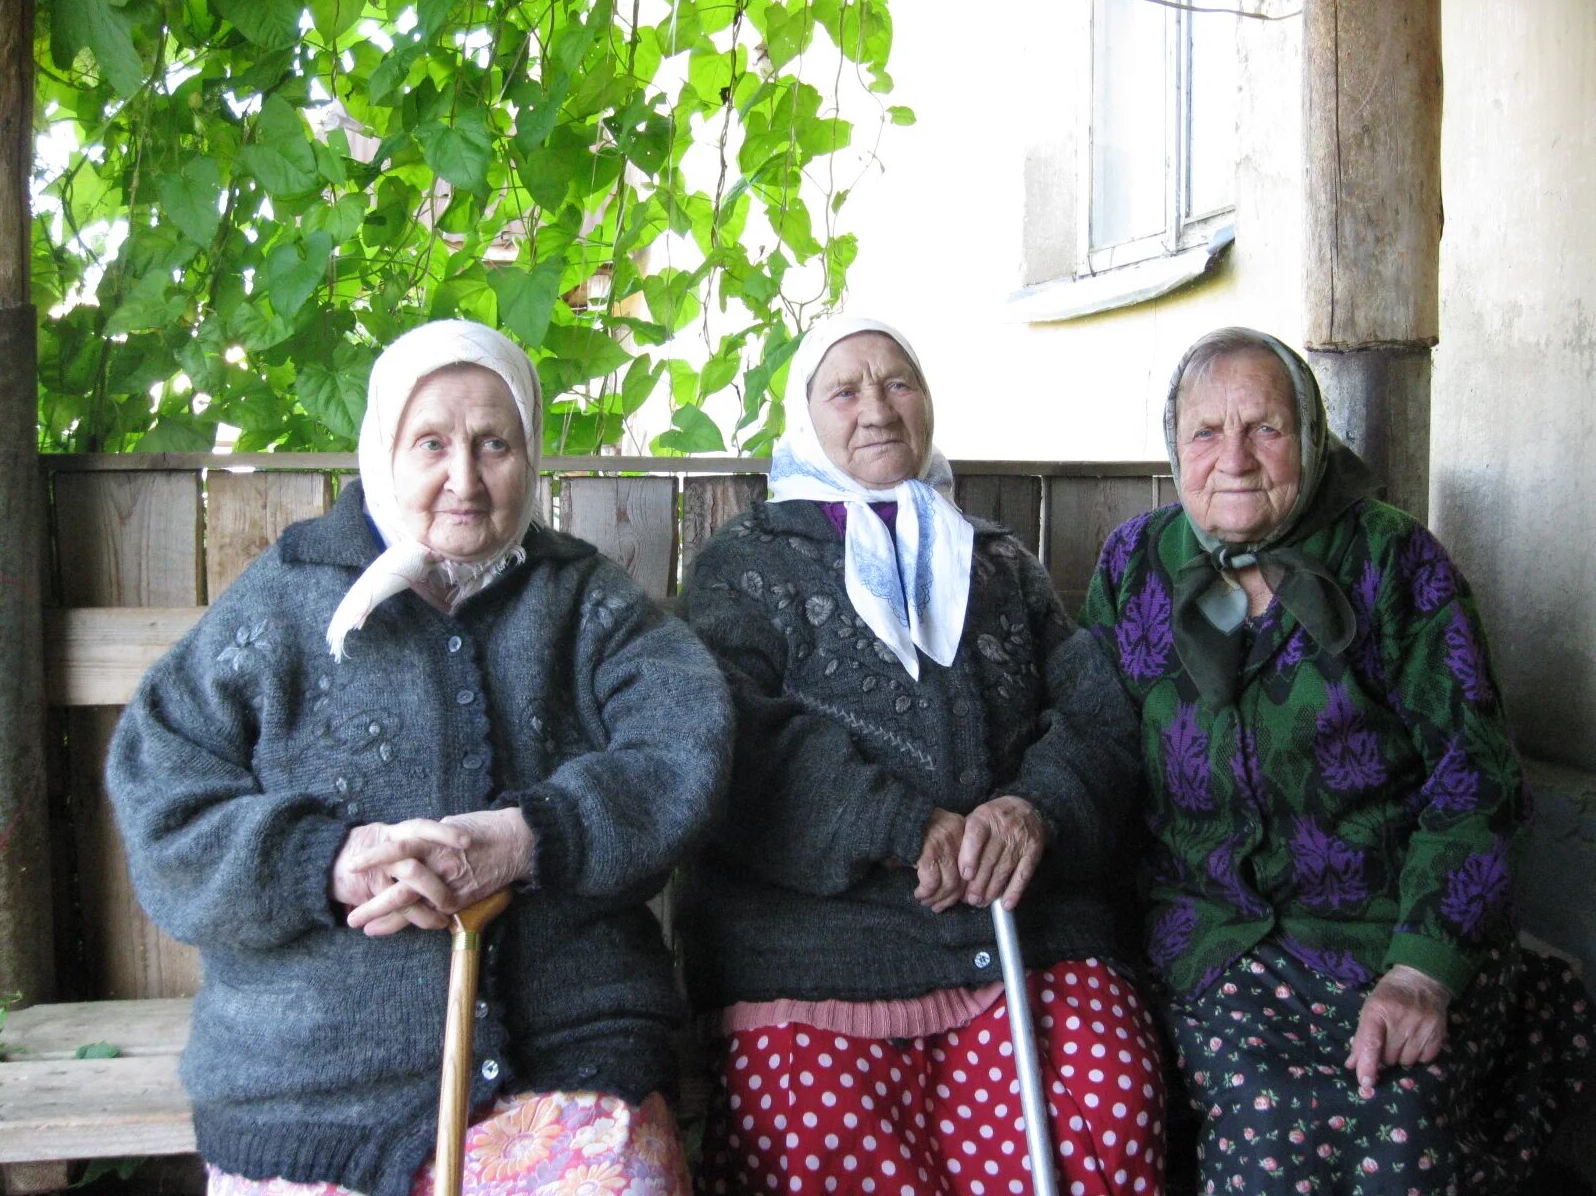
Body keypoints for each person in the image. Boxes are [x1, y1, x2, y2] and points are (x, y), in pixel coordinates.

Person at [107, 320, 732, 1196]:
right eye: (431, 443)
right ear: (381, 450)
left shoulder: (584, 599)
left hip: (562, 1053)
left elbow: (684, 739)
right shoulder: (280, 604)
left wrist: (531, 836)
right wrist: (323, 861)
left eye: (494, 444)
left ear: (531, 452)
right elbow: (164, 804)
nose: (464, 478)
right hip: (307, 1083)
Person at [1080, 326, 1594, 1194]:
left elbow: (1474, 778)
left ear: (1313, 438)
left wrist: (1422, 971)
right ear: (1174, 448)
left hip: (1391, 927)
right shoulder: (1136, 564)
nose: (1234, 458)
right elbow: (1092, 744)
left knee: (1406, 1111)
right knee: (1268, 1123)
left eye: (1266, 428)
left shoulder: (1395, 561)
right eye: (1207, 432)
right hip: (1209, 936)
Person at [679, 315, 1165, 1196]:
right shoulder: (744, 567)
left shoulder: (999, 563)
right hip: (821, 950)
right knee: (826, 1145)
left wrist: (1032, 811)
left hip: (1022, 927)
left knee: (1106, 1108)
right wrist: (905, 826)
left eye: (899, 382)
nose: (877, 407)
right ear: (804, 418)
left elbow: (1095, 715)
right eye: (846, 389)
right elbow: (733, 736)